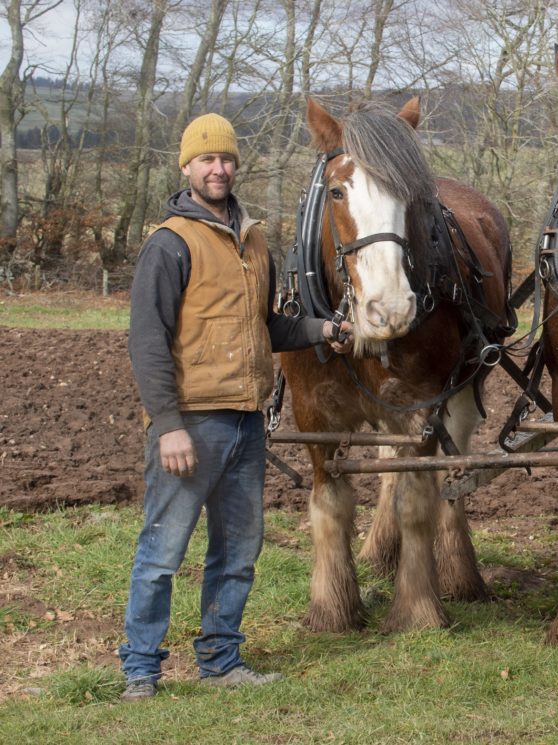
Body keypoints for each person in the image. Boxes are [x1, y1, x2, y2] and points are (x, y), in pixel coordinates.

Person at [120, 113, 351, 702]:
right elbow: (147, 340)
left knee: (239, 550)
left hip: (247, 420)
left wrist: (325, 329)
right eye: (207, 160)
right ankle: (140, 669)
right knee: (163, 551)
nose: (218, 169)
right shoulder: (170, 242)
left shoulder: (251, 239)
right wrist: (167, 425)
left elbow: (264, 325)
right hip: (192, 424)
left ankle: (221, 659)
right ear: (187, 167)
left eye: (226, 159)